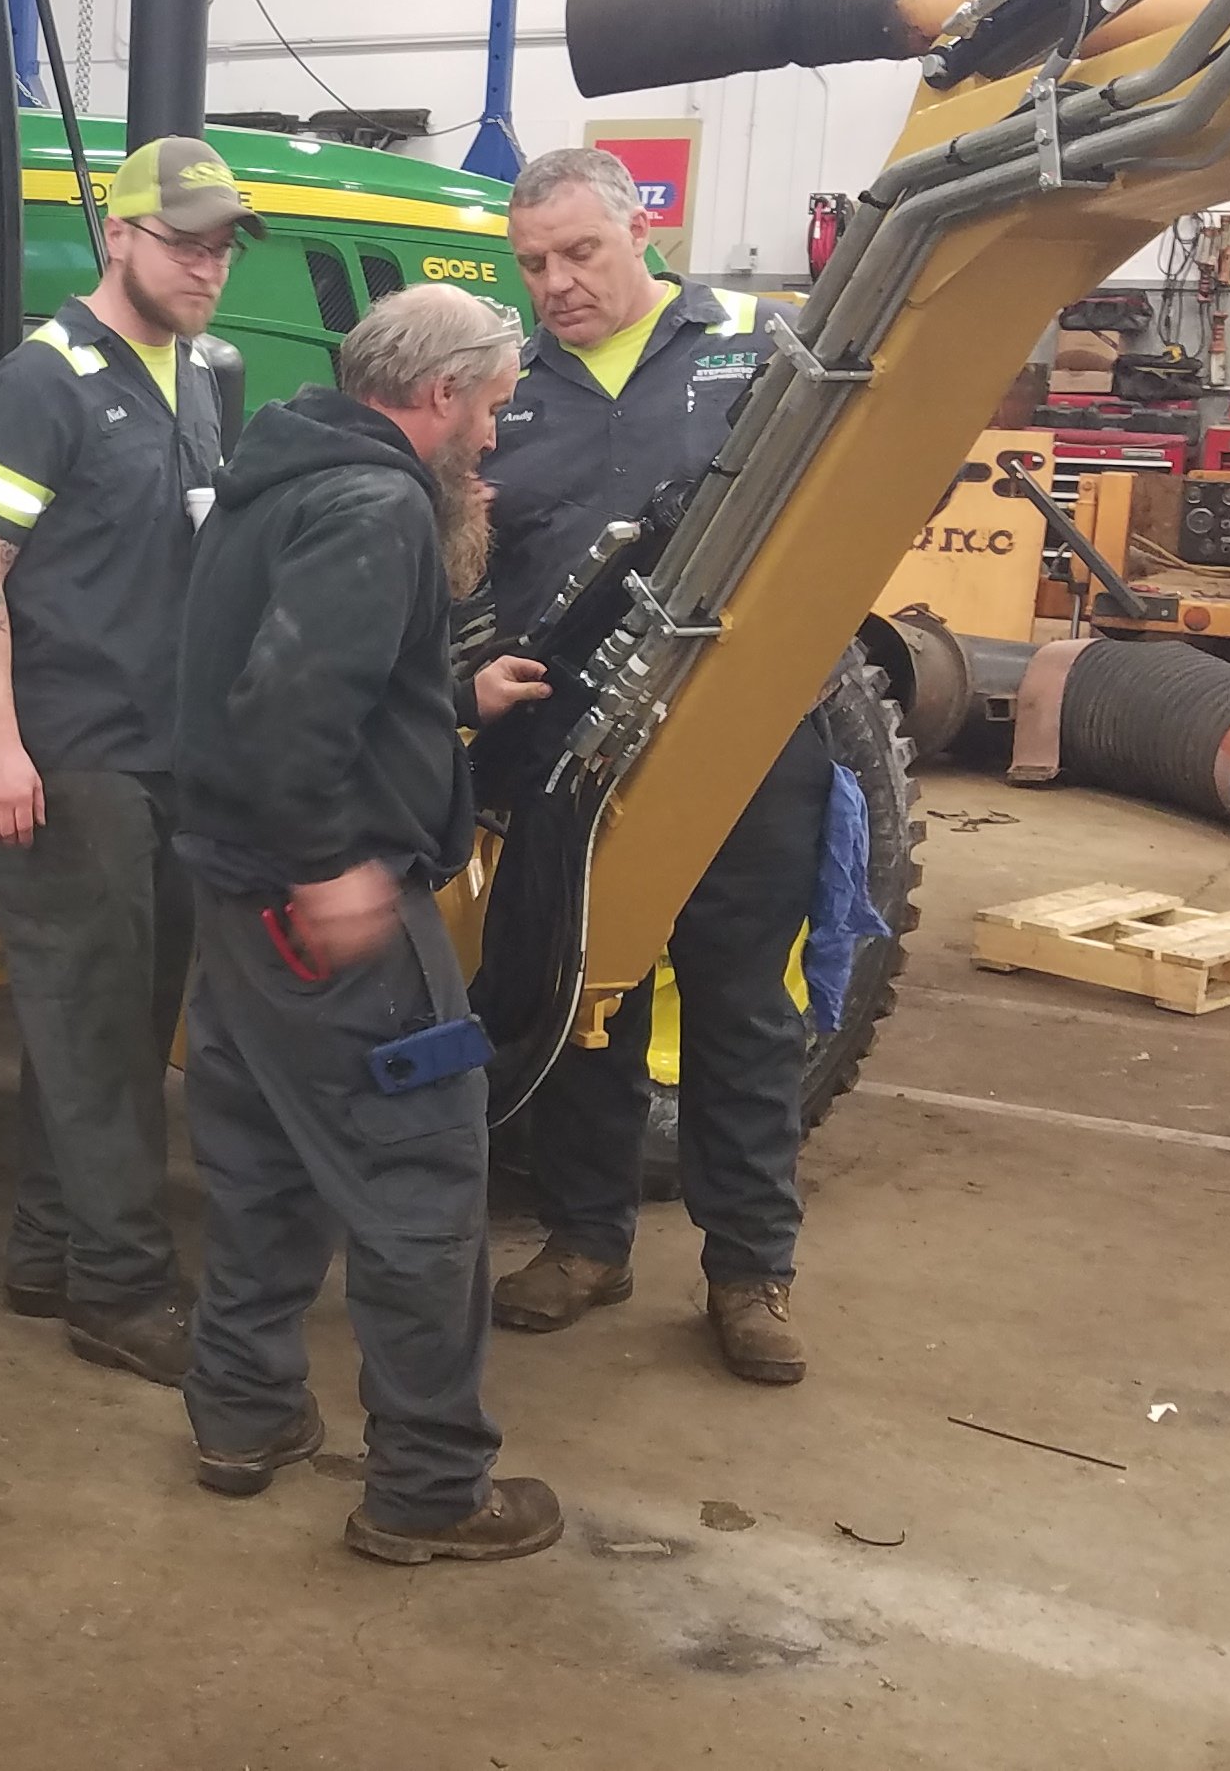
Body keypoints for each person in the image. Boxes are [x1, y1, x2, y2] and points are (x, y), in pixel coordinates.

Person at [167, 283, 560, 1565]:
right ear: (441, 395)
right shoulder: (374, 501)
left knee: (265, 1156)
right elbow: (288, 716)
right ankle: (431, 1487)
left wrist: (445, 692)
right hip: (324, 915)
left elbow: (280, 670)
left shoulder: (278, 472)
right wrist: (336, 867)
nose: (496, 438)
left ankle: (243, 1415)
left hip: (236, 904)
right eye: (495, 407)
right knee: (422, 1175)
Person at [476, 144, 826, 1385]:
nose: (558, 283)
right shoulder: (505, 384)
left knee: (741, 1001)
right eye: (534, 265)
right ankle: (588, 1239)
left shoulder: (763, 343)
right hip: (572, 747)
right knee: (587, 995)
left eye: (580, 252)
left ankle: (749, 1272)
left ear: (643, 232)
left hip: (745, 738)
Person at [0, 135, 250, 1382]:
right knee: (97, 1028)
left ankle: (46, 1246)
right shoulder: (45, 381)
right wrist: (1, 748)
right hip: (73, 762)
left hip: (163, 755)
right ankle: (119, 1291)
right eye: (184, 242)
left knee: (106, 1026)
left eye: (222, 247)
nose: (207, 267)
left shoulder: (200, 377)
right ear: (117, 235)